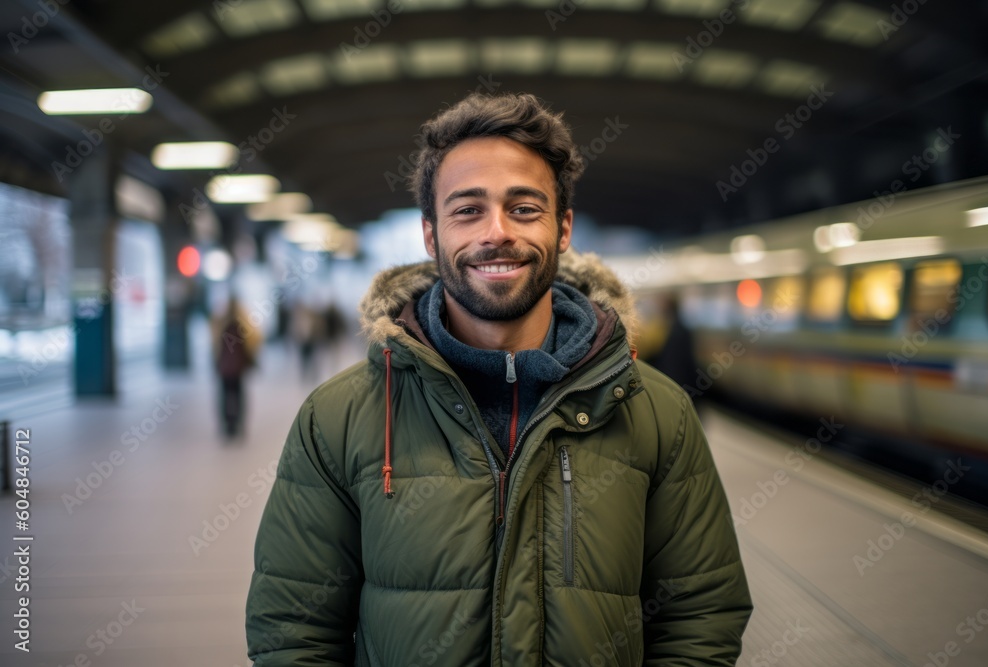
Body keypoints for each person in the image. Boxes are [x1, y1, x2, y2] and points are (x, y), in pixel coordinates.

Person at [246, 93, 752, 665]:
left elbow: (702, 613)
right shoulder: (339, 418)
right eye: (467, 210)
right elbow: (292, 630)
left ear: (563, 229)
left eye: (524, 208)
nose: (497, 232)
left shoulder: (658, 413)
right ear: (432, 236)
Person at [212, 295, 259, 437]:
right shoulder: (243, 325)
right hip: (238, 368)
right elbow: (249, 347)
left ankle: (227, 424)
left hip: (225, 369)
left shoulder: (220, 324)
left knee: (225, 396)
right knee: (239, 396)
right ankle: (239, 423)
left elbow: (216, 347)